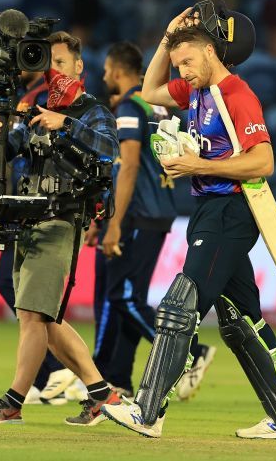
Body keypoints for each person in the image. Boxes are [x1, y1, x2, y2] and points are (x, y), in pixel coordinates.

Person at [101, 6, 276, 439]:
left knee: (181, 304)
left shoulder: (237, 93)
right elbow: (149, 88)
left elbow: (264, 161)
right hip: (207, 211)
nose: (183, 72)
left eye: (189, 62)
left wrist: (200, 165)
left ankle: (148, 410)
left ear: (212, 52)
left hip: (230, 212)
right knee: (241, 321)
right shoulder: (193, 92)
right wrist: (167, 38)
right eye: (179, 65)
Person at [0, 31, 121, 426]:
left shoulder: (92, 110)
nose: (54, 70)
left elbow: (110, 150)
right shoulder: (35, 106)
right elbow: (9, 150)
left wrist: (66, 124)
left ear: (78, 65)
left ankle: (13, 401)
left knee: (35, 315)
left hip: (62, 217)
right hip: (29, 218)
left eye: (61, 62)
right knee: (42, 319)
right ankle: (104, 395)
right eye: (47, 64)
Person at [91, 41, 215, 399]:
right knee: (131, 295)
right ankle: (120, 379)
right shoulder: (159, 106)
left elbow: (127, 167)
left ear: (116, 71)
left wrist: (113, 222)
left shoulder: (130, 106)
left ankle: (191, 353)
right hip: (161, 209)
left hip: (138, 213)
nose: (104, 77)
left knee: (124, 297)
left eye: (105, 72)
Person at [0, 70, 72, 405]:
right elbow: (0, 152)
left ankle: (54, 372)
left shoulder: (45, 97)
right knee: (26, 301)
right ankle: (58, 376)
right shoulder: (24, 96)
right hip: (22, 206)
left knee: (31, 304)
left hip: (46, 208)